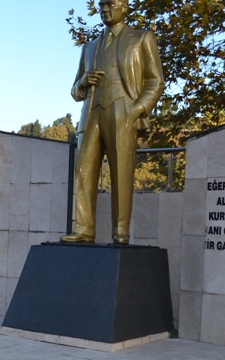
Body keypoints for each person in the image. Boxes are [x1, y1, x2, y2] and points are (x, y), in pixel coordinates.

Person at [60, 0, 165, 244]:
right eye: (102, 6)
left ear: (125, 7)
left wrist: (137, 109)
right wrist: (84, 82)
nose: (105, 9)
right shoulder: (89, 47)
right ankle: (84, 229)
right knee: (84, 169)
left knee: (122, 170)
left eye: (111, 4)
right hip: (91, 112)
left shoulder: (142, 38)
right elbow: (75, 92)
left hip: (123, 109)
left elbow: (155, 81)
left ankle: (120, 231)